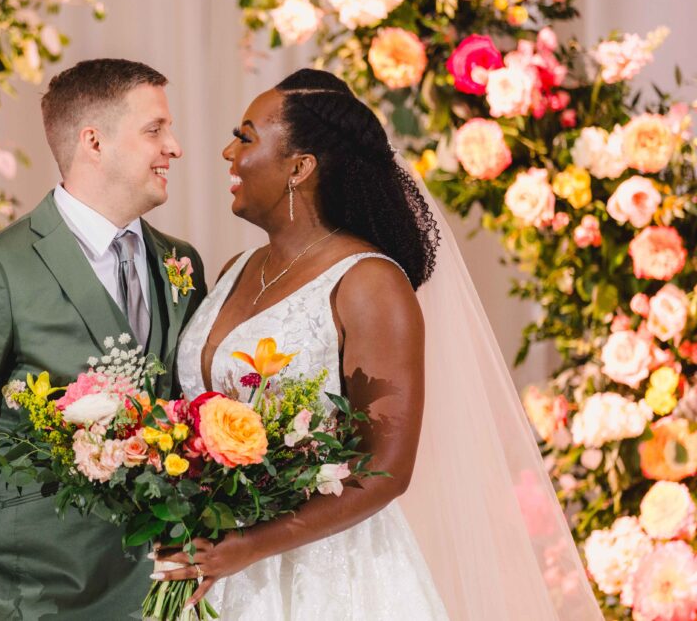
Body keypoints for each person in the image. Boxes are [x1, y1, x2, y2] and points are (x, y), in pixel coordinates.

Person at [160, 69, 602, 620]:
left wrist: (250, 546)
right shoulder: (234, 270)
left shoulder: (370, 283)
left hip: (326, 576)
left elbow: (386, 468)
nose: (229, 152)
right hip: (214, 567)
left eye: (245, 137)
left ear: (299, 167)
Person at [0, 58, 207, 620]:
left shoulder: (181, 262)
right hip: (30, 595)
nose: (175, 147)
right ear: (94, 142)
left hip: (160, 591)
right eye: (155, 129)